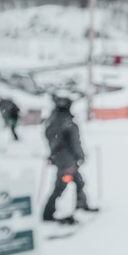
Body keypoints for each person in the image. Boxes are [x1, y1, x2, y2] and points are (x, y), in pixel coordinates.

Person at [42, 92, 98, 223]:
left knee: (78, 181)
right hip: (67, 161)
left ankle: (81, 204)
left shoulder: (52, 121)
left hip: (60, 158)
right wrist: (80, 156)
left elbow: (50, 139)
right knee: (60, 186)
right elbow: (75, 142)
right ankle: (48, 214)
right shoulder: (67, 122)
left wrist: (55, 153)